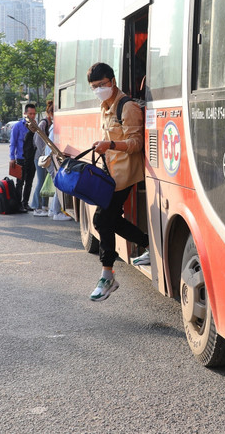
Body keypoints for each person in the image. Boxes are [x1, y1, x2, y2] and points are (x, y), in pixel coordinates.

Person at [86, 62, 150, 302]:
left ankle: (107, 275)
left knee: (102, 219)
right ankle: (147, 245)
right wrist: (103, 147)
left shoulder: (128, 106)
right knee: (108, 219)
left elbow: (136, 144)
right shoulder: (105, 107)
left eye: (101, 85)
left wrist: (110, 145)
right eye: (94, 86)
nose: (98, 89)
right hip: (111, 172)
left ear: (112, 81)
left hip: (124, 175)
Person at [34, 100, 72, 221]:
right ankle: (56, 212)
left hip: (51, 159)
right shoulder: (53, 126)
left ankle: (51, 210)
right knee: (60, 185)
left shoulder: (53, 126)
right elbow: (42, 142)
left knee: (58, 184)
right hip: (52, 160)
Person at [9, 103, 36, 213]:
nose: (32, 116)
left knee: (29, 182)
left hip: (32, 158)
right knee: (20, 182)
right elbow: (13, 143)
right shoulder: (18, 126)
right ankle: (18, 204)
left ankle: (25, 203)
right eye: (30, 113)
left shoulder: (35, 126)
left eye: (34, 114)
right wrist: (12, 157)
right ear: (25, 114)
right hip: (20, 158)